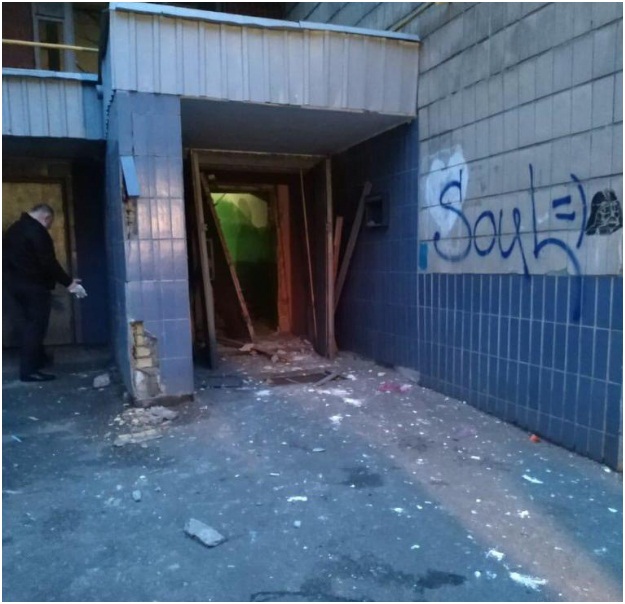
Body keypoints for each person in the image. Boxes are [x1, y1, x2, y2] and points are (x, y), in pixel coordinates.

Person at [3, 203, 84, 382]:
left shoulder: (14, 229)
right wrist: (69, 283)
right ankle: (29, 371)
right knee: (35, 328)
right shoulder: (37, 232)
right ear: (46, 218)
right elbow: (48, 262)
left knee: (28, 326)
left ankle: (38, 359)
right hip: (33, 287)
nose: (48, 227)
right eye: (49, 223)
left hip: (14, 286)